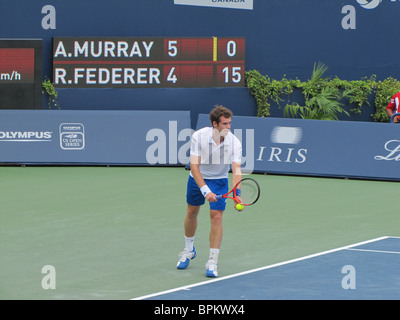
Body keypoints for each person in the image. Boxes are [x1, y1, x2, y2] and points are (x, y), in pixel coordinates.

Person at [176, 105, 242, 278]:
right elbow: (194, 166)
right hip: (197, 178)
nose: (228, 127)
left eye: (230, 124)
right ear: (215, 124)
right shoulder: (199, 136)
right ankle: (189, 249)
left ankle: (212, 260)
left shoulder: (234, 142)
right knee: (192, 211)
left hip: (220, 181)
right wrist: (205, 190)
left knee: (217, 217)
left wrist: (237, 194)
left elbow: (236, 170)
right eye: (225, 124)